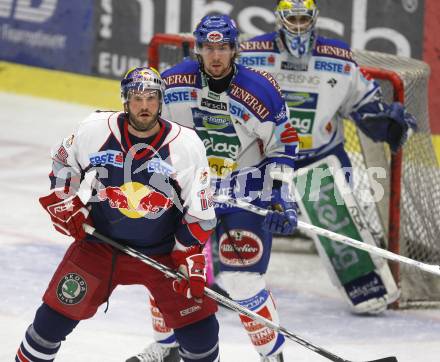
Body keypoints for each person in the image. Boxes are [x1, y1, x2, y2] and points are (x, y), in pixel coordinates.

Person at [15, 67, 221, 362]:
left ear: (161, 100)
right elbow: (63, 163)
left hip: (162, 252)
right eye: (137, 98)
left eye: (152, 97)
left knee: (202, 337)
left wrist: (187, 254)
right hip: (100, 245)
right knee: (48, 325)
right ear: (125, 99)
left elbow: (200, 213)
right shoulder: (95, 129)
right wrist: (64, 201)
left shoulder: (186, 145)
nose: (145, 105)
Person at [127, 14, 299, 362]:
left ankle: (272, 357)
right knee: (164, 268)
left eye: (223, 48)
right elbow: (146, 131)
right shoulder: (172, 84)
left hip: (243, 193)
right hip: (186, 194)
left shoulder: (260, 89)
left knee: (243, 281)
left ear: (235, 50)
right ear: (198, 48)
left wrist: (281, 195)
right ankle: (167, 348)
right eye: (209, 47)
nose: (216, 55)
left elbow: (283, 145)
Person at [238, 0, 417, 314]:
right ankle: (230, 278)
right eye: (290, 18)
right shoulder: (250, 54)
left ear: (314, 19)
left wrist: (385, 121)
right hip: (263, 159)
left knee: (340, 232)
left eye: (302, 18)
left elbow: (362, 102)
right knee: (240, 218)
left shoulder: (337, 59)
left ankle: (363, 279)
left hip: (319, 158)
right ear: (278, 20)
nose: (297, 26)